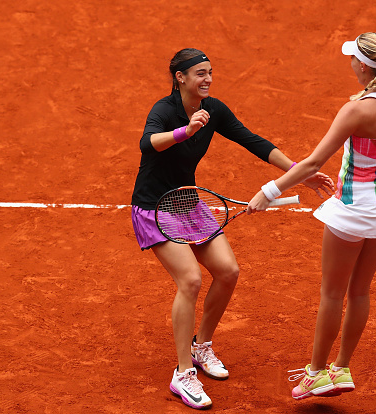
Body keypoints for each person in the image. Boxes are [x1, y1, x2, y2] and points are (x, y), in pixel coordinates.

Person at [130, 48, 334, 410]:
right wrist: (185, 131)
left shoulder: (215, 110)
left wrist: (298, 172)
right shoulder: (165, 110)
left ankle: (201, 345)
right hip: (155, 208)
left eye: (210, 72)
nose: (207, 79)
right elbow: (148, 143)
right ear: (180, 78)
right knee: (190, 280)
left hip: (188, 202)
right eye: (199, 74)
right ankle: (182, 374)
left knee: (228, 272)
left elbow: (251, 140)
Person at [247, 32, 376, 400]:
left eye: (353, 58)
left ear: (363, 65)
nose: (350, 64)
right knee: (360, 291)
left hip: (353, 210)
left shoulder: (356, 110)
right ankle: (341, 368)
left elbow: (313, 162)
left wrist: (269, 191)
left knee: (332, 293)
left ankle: (317, 373)